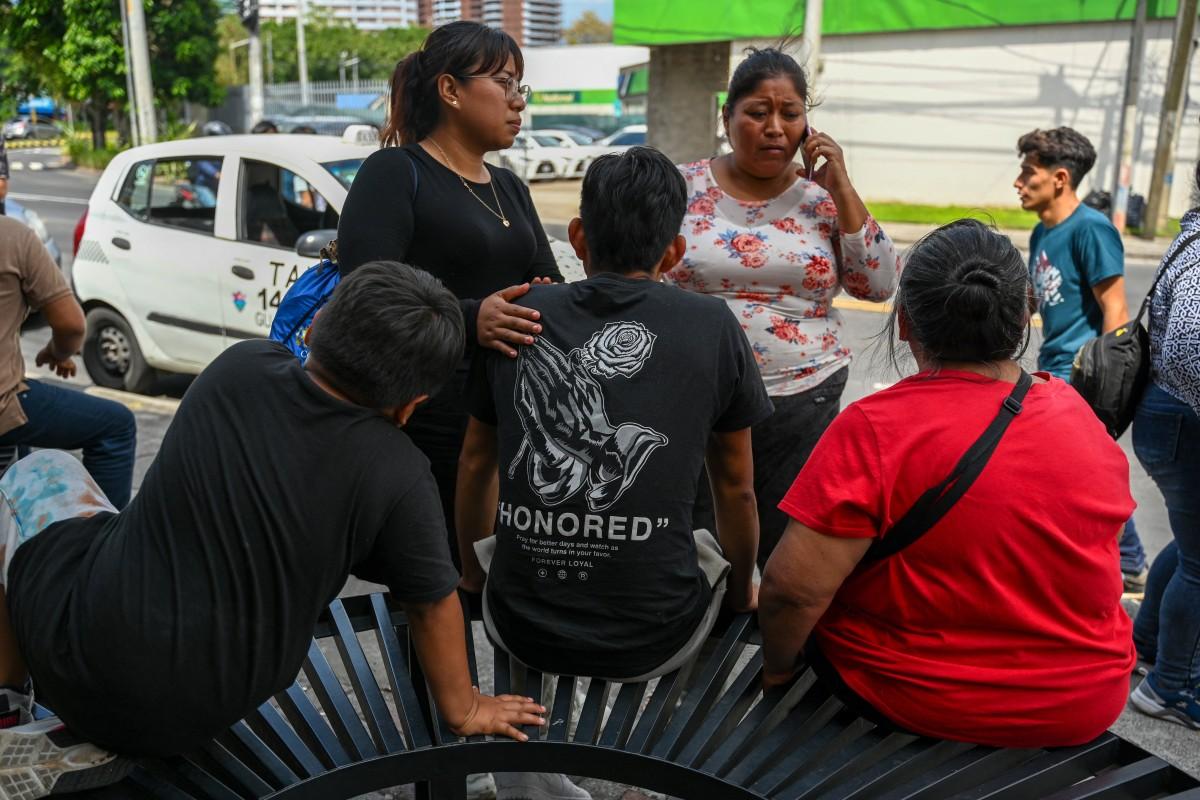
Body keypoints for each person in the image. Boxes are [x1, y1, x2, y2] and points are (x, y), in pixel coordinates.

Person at [0, 263, 545, 797]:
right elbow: (433, 603)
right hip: (195, 711)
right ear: (411, 406)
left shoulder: (239, 367)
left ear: (314, 328)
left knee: (39, 469)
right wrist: (464, 708)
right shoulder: (399, 474)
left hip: (78, 652)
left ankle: (8, 705)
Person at [457, 148, 769, 800]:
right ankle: (656, 763)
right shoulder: (712, 325)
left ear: (577, 238)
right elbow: (736, 486)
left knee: (507, 551)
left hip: (520, 619)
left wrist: (473, 573)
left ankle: (526, 778)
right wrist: (743, 587)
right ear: (675, 250)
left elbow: (477, 461)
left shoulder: (519, 314)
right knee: (707, 553)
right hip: (656, 633)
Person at [759, 219, 1136, 747]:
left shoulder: (874, 428)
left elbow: (790, 594)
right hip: (1083, 702)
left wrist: (777, 673)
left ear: (904, 323)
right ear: (1024, 317)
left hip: (917, 696)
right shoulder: (1077, 415)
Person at [337, 21, 563, 565]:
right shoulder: (395, 172)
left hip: (514, 417)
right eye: (504, 84)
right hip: (427, 418)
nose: (518, 101)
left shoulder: (509, 186)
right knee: (438, 576)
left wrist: (546, 300)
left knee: (505, 573)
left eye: (520, 87)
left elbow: (546, 279)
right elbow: (365, 297)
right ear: (450, 90)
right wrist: (469, 318)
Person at [667, 48, 899, 566]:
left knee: (786, 551)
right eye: (757, 112)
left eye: (790, 114)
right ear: (727, 117)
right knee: (696, 544)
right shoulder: (681, 187)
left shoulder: (824, 199)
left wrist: (841, 185)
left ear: (806, 125)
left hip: (803, 398)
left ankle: (775, 621)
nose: (774, 127)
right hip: (695, 396)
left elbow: (879, 284)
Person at [1014, 126, 1146, 590]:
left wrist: (1109, 391)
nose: (1017, 182)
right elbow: (1034, 302)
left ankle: (1126, 560)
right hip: (1052, 368)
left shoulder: (1091, 229)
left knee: (1078, 468)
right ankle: (1125, 559)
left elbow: (1116, 310)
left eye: (1027, 173)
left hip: (1083, 374)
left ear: (1060, 178)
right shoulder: (1041, 232)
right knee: (1075, 470)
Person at [0, 215, 136, 508]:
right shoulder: (13, 236)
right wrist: (58, 353)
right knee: (116, 426)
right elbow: (72, 325)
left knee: (23, 427)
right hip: (3, 405)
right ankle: (104, 538)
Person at [1128, 182, 1200, 729]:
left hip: (1168, 417)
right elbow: (1186, 350)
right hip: (1182, 420)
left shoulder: (1192, 237)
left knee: (1190, 542)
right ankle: (1170, 687)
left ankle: (1149, 644)